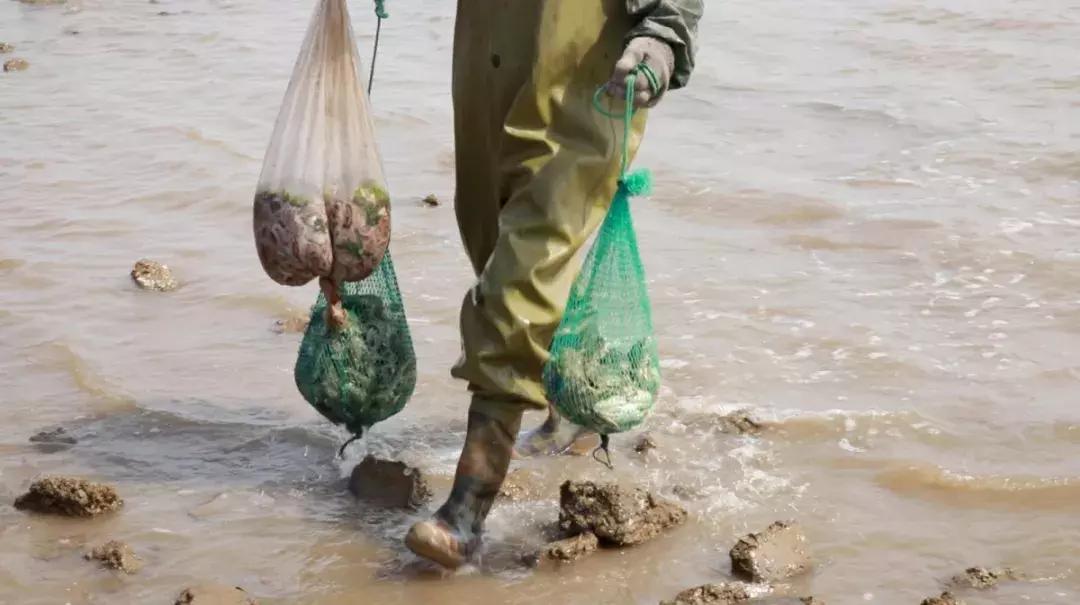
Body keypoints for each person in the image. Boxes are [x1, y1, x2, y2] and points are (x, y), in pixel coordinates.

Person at [405, 0, 702, 569]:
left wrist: (665, 35)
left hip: (586, 64)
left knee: (525, 270)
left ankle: (466, 512)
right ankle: (571, 409)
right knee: (488, 239)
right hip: (488, 50)